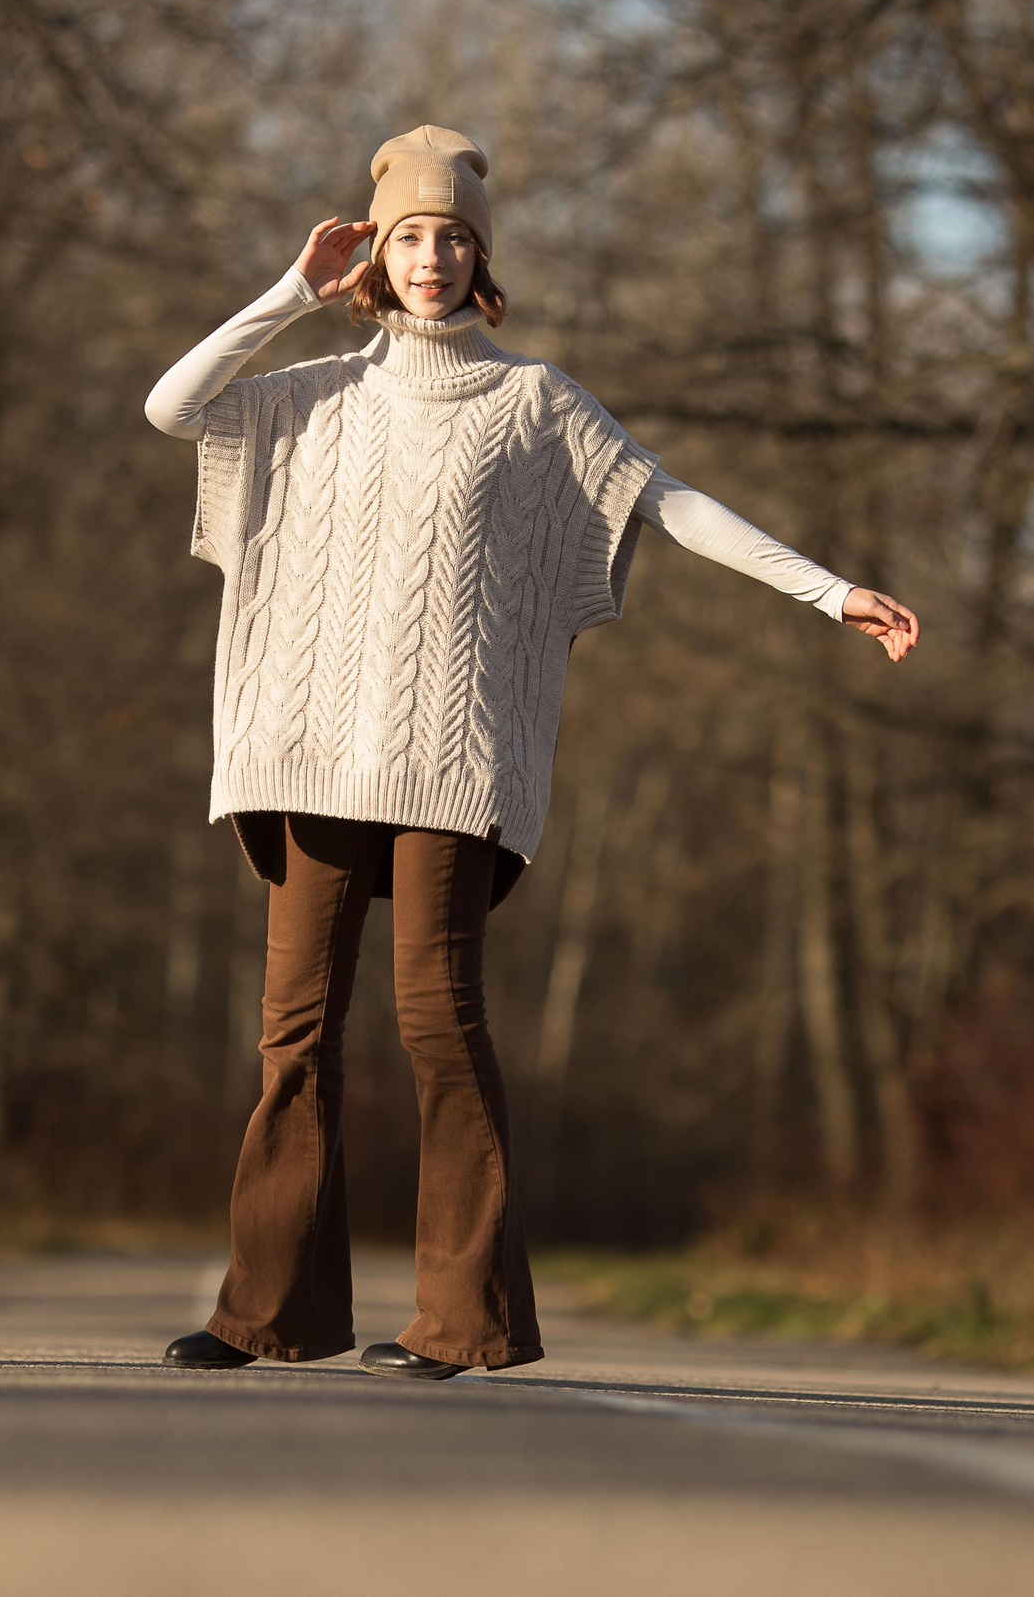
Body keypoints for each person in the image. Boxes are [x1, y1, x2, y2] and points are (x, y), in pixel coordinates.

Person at [144, 125, 919, 1381]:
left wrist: (827, 593)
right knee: (294, 1040)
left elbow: (665, 501)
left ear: (480, 258)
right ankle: (265, 1313)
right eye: (408, 236)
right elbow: (169, 404)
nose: (432, 257)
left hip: (450, 764)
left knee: (439, 1026)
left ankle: (461, 1323)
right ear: (375, 258)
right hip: (300, 754)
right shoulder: (306, 391)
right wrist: (294, 289)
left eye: (453, 237)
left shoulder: (533, 402)